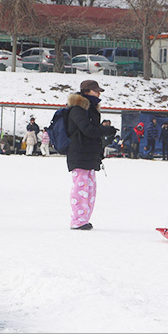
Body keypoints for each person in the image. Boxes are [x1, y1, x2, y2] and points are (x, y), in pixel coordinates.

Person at [66, 79, 106, 230]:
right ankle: (77, 220)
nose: (98, 93)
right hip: (79, 154)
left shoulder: (91, 109)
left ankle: (84, 219)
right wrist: (104, 130)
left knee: (90, 189)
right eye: (96, 90)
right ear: (87, 91)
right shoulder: (78, 109)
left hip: (89, 155)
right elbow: (88, 130)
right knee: (80, 189)